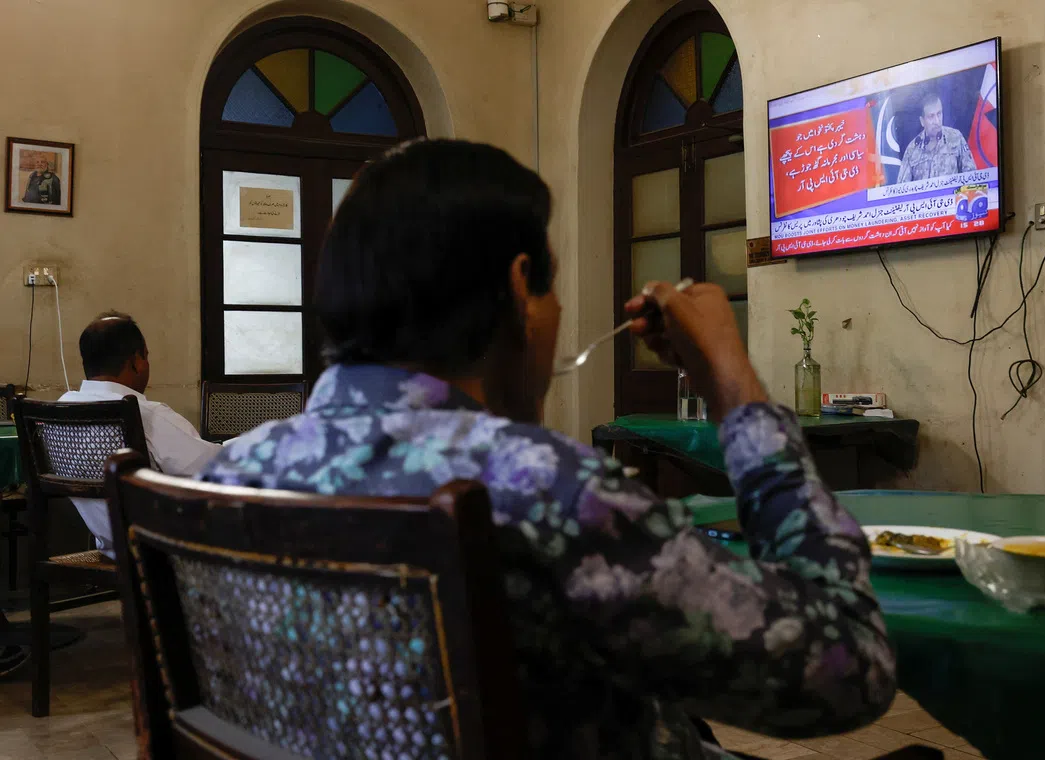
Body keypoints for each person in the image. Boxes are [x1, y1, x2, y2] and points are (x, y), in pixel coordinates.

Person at [200, 139, 896, 759]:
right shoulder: (552, 493)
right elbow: (846, 669)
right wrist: (732, 382)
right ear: (517, 283)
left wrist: (512, 396)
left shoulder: (230, 474)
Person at [59, 313, 219, 557]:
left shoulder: (62, 409)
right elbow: (213, 470)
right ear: (137, 361)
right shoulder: (146, 414)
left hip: (111, 548)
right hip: (164, 551)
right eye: (146, 356)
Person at [895, 92, 976, 184]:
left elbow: (971, 176)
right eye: (931, 116)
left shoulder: (955, 137)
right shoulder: (912, 149)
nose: (937, 121)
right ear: (922, 121)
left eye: (939, 114)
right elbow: (902, 186)